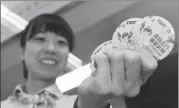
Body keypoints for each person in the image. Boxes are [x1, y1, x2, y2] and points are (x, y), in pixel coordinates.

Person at [1, 13, 158, 108]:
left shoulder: (81, 103)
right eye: (40, 39)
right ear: (22, 52)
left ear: (67, 55)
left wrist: (91, 104)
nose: (51, 48)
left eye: (61, 42)